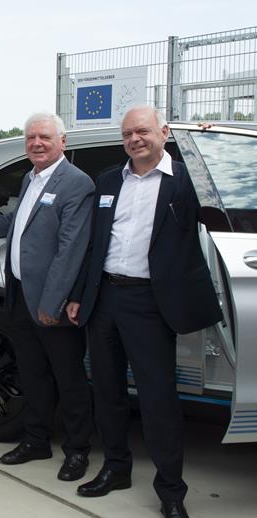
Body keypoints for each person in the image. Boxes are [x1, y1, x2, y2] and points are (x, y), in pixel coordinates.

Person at [68, 106, 222, 518]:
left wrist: (209, 146)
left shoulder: (188, 181)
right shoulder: (108, 181)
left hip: (150, 303)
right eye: (127, 134)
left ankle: (171, 489)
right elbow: (93, 245)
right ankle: (116, 468)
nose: (134, 139)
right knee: (107, 392)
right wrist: (80, 294)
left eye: (142, 131)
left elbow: (220, 207)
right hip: (104, 298)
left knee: (158, 399)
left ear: (164, 132)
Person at [0, 112, 93, 481]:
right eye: (31, 138)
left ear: (62, 142)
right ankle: (37, 440)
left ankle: (77, 451)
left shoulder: (77, 183)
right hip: (22, 297)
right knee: (32, 374)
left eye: (45, 137)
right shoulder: (31, 178)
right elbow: (13, 224)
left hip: (51, 303)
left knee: (69, 380)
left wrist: (51, 304)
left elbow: (70, 250)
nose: (36, 143)